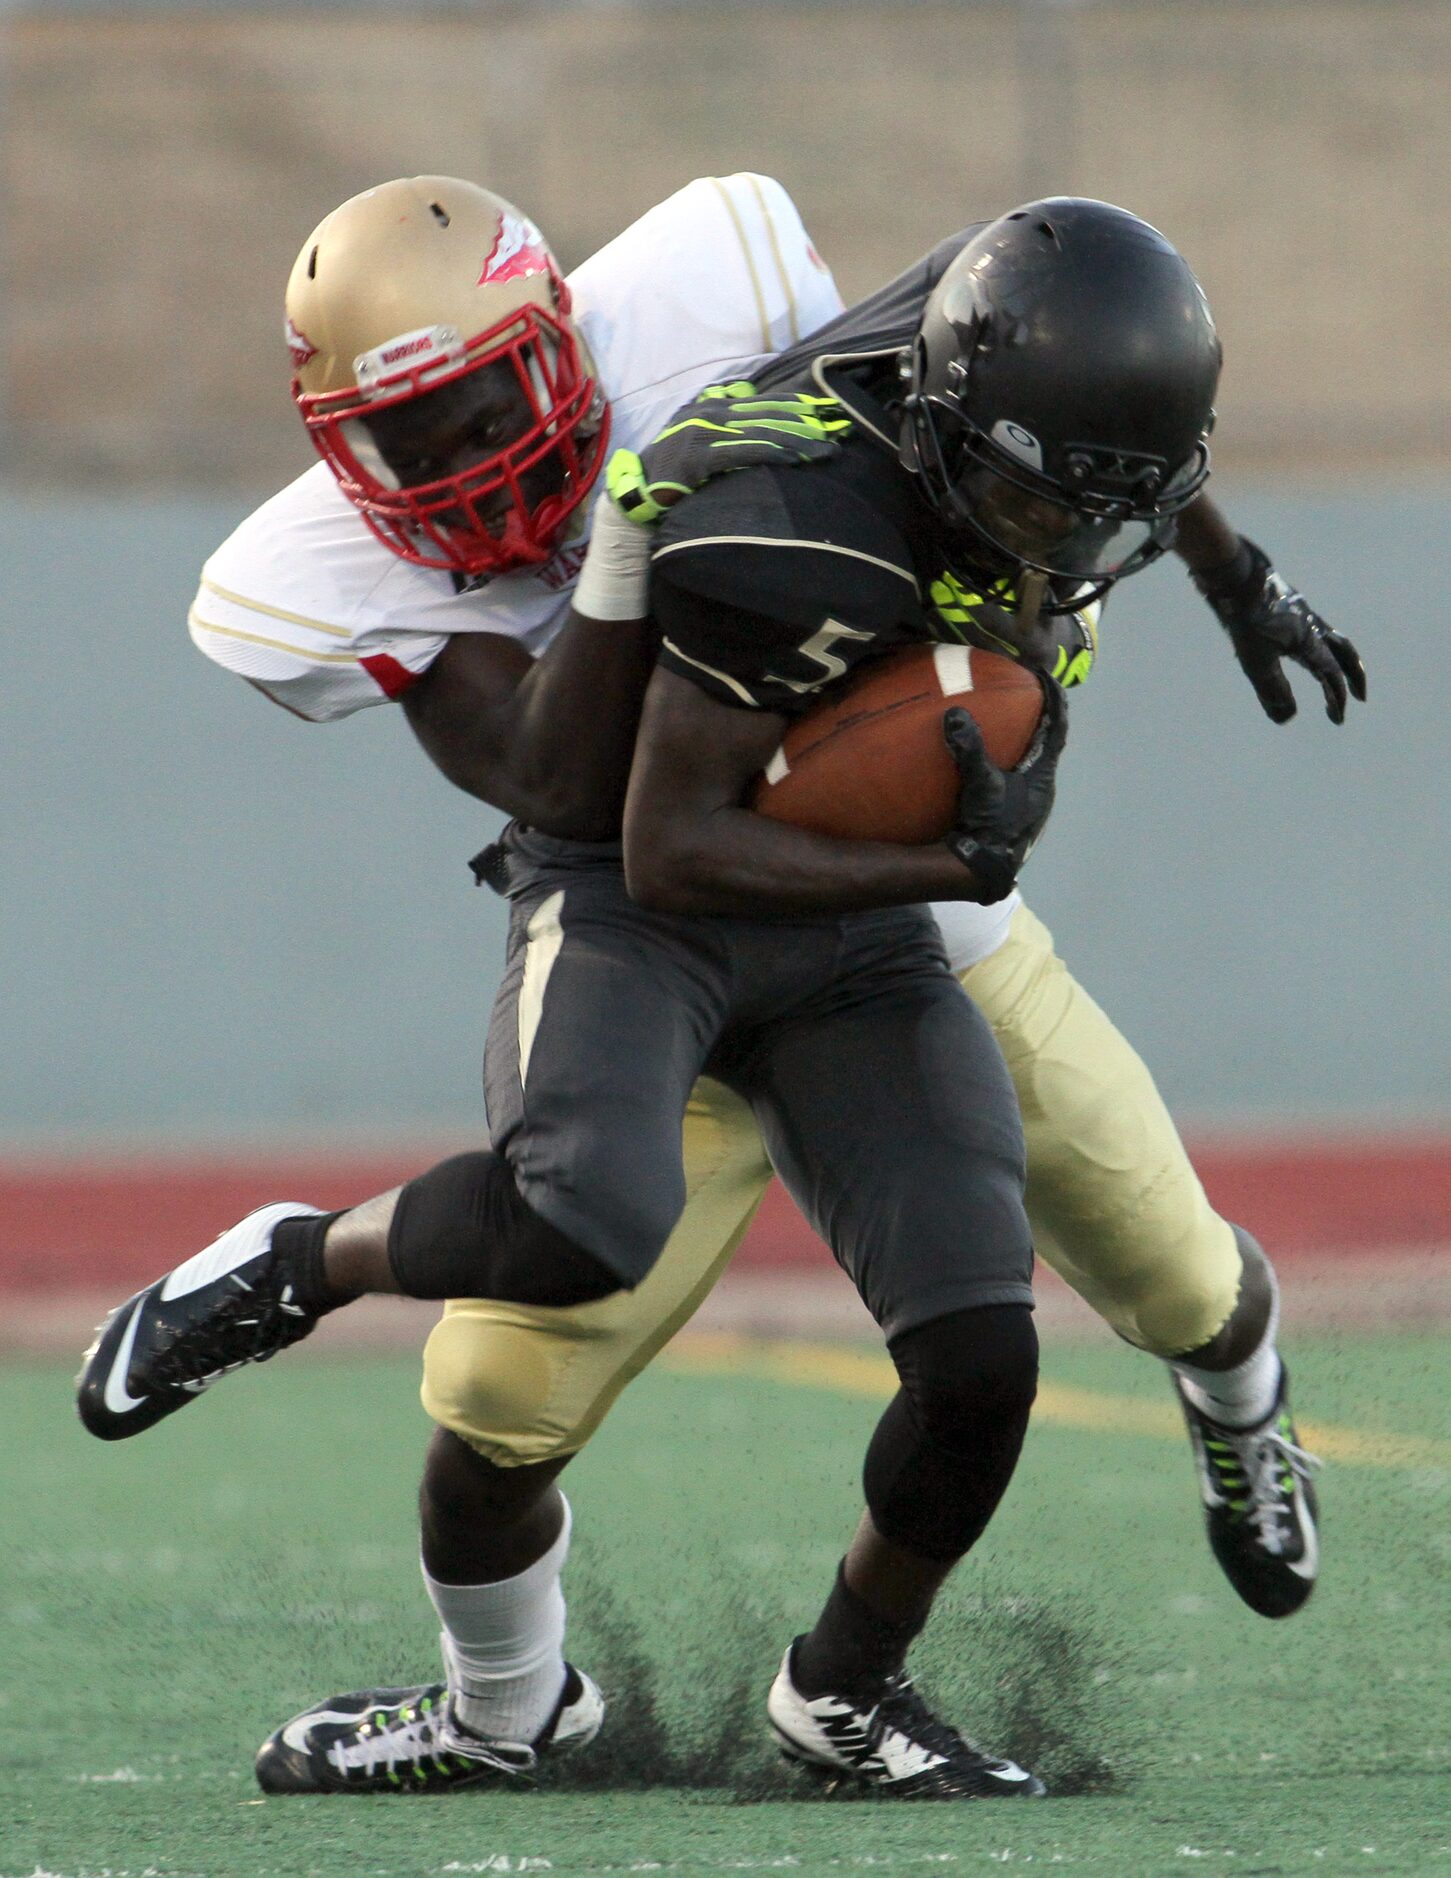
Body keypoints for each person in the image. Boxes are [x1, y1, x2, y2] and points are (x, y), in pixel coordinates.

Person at [77, 179, 1360, 1795]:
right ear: (341, 446)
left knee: (1165, 1278)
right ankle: (500, 1704)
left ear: (566, 337)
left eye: (491, 399)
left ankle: (1235, 1405)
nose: (467, 454)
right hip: (654, 914)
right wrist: (631, 541)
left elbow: (1047, 407)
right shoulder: (345, 571)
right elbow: (572, 801)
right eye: (414, 434)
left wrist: (1233, 573)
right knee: (493, 1390)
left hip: (881, 920)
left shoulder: (716, 301)